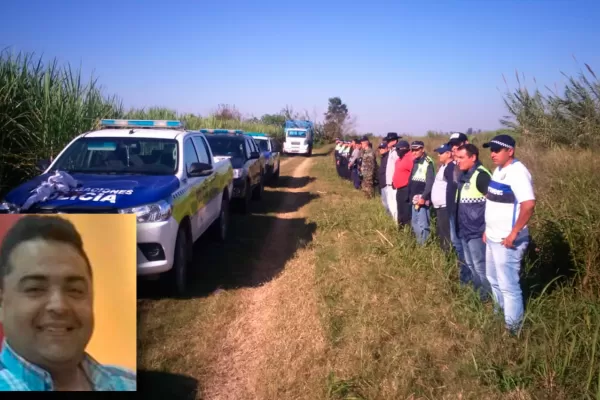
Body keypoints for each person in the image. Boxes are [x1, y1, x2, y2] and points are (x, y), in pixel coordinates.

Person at [0, 216, 136, 391]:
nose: (59, 306)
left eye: (75, 290)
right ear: (2, 304)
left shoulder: (128, 382)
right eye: (35, 289)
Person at [482, 134, 535, 334]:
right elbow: (495, 202)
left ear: (510, 151)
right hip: (493, 237)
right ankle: (500, 314)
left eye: (497, 150)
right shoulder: (498, 170)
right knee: (492, 278)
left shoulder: (518, 172)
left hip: (507, 241)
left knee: (509, 285)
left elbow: (528, 204)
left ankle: (513, 330)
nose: (492, 154)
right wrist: (488, 230)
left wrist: (514, 233)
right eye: (491, 149)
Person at [454, 144, 492, 301]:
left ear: (473, 157)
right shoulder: (464, 175)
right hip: (464, 229)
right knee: (471, 265)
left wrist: (488, 228)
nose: (457, 161)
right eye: (456, 157)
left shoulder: (482, 176)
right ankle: (478, 295)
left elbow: (494, 204)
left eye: (461, 158)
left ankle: (486, 299)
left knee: (480, 266)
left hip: (477, 231)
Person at [446, 132, 469, 282]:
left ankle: (468, 280)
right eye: (452, 146)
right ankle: (463, 277)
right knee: (457, 245)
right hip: (452, 211)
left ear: (466, 143)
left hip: (465, 214)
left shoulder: (469, 167)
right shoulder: (452, 166)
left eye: (458, 144)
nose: (454, 148)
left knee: (466, 249)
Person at [408, 141, 435, 245]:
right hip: (413, 198)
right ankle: (420, 244)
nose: (414, 152)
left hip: (422, 198)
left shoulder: (428, 162)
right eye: (412, 150)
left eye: (416, 150)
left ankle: (425, 246)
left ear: (422, 149)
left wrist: (423, 197)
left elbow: (430, 182)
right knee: (415, 223)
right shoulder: (415, 161)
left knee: (423, 224)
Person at [431, 144, 453, 253]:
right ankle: (444, 254)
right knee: (441, 232)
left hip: (445, 206)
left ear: (449, 154)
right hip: (439, 207)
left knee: (446, 234)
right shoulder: (443, 166)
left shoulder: (450, 167)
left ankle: (448, 256)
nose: (438, 155)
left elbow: (452, 187)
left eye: (441, 153)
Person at [392, 140, 413, 228]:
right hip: (399, 189)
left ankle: (407, 231)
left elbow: (413, 174)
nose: (396, 151)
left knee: (406, 212)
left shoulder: (410, 158)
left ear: (404, 149)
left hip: (406, 189)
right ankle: (401, 230)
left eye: (398, 149)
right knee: (400, 210)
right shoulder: (399, 159)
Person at [384, 132, 400, 222]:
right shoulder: (391, 151)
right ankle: (394, 222)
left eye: (389, 141)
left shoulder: (397, 152)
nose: (387, 142)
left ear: (394, 141)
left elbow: (398, 168)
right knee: (390, 204)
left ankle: (397, 223)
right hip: (389, 182)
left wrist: (395, 180)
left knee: (394, 205)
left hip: (394, 183)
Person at [377, 141, 389, 212]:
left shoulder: (388, 157)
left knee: (388, 203)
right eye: (380, 148)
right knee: (384, 202)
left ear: (387, 148)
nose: (381, 150)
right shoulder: (383, 157)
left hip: (386, 184)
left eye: (383, 148)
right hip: (382, 184)